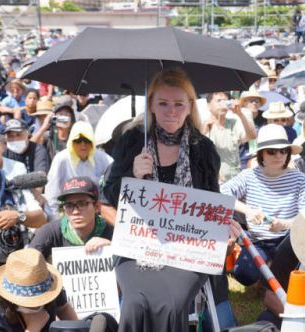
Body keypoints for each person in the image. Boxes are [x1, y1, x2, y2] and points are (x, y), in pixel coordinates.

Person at [103, 68, 224, 331]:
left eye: (179, 104)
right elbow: (109, 195)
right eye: (163, 103)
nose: (171, 111)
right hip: (137, 246)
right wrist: (133, 175)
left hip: (187, 248)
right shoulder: (132, 141)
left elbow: (212, 201)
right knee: (135, 301)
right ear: (151, 106)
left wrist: (227, 222)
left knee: (171, 303)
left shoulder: (202, 148)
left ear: (190, 106)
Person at [221, 124, 305, 286]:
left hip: (290, 240)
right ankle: (268, 273)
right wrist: (248, 211)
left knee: (298, 278)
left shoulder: (300, 179)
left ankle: (272, 274)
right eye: (271, 151)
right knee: (243, 274)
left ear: (288, 152)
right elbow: (222, 192)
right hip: (258, 240)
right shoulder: (249, 176)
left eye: (283, 150)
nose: (278, 155)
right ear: (261, 154)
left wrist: (284, 224)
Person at [0, 248, 78, 332]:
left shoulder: (50, 287)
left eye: (41, 299)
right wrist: (33, 328)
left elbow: (64, 308)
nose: (37, 305)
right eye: (32, 302)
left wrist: (79, 328)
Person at [30, 176, 114, 258]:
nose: (75, 211)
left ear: (96, 207)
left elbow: (126, 259)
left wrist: (113, 247)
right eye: (69, 205)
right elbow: (27, 263)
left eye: (82, 204)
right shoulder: (49, 232)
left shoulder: (113, 231)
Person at [45, 121, 112, 217]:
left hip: (97, 212)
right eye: (78, 140)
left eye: (87, 140)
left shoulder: (104, 158)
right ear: (71, 141)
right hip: (70, 212)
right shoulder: (61, 159)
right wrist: (55, 221)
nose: (83, 144)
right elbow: (52, 193)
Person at [202, 91, 257, 183]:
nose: (222, 104)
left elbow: (252, 136)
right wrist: (203, 131)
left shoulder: (233, 123)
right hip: (209, 180)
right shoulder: (204, 124)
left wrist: (240, 114)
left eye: (225, 101)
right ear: (208, 105)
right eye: (219, 101)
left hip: (233, 179)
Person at [238, 91, 267, 169]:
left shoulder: (265, 117)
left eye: (257, 101)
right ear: (244, 103)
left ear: (260, 104)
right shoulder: (239, 116)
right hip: (243, 157)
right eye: (251, 101)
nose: (254, 103)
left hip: (261, 156)